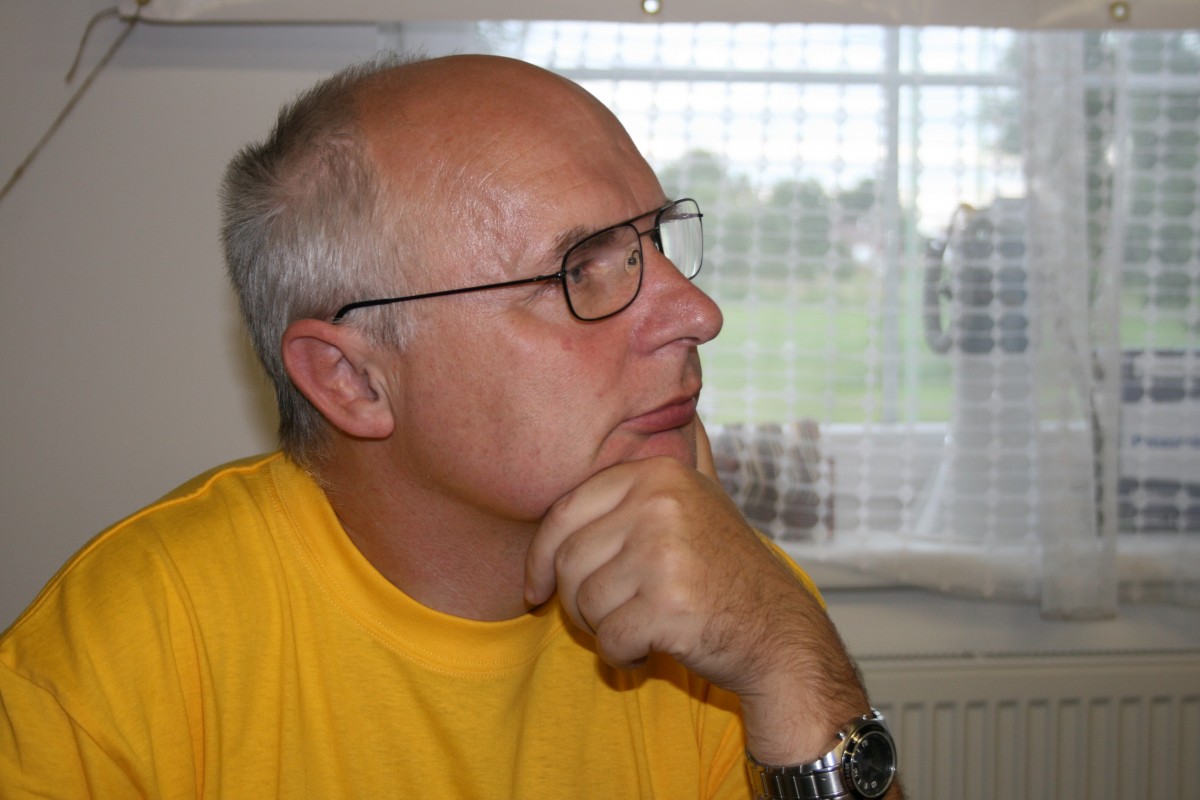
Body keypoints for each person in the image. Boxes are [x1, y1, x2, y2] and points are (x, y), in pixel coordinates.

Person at [0, 53, 901, 798]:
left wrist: (791, 663)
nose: (697, 314)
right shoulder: (122, 658)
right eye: (577, 271)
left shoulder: (720, 597)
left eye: (652, 243)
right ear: (353, 379)